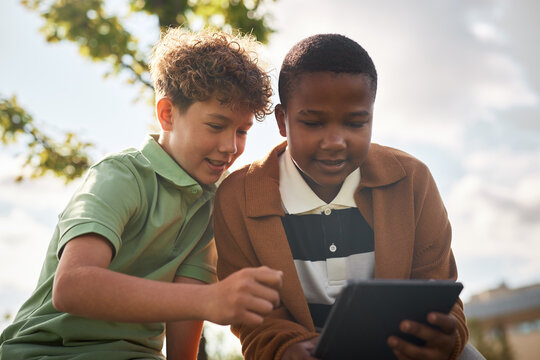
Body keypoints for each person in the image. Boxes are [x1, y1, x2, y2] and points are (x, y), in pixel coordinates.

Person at [0, 28, 283, 360]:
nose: (230, 146)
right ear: (167, 114)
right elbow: (71, 286)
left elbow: (186, 312)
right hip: (48, 353)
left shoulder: (212, 204)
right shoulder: (120, 176)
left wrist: (206, 300)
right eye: (216, 126)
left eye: (242, 131)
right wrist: (211, 300)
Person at [213, 34, 469, 360]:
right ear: (282, 121)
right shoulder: (238, 197)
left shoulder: (412, 181)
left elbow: (440, 289)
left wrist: (447, 337)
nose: (335, 141)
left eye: (355, 122)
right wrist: (284, 348)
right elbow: (253, 318)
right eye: (313, 122)